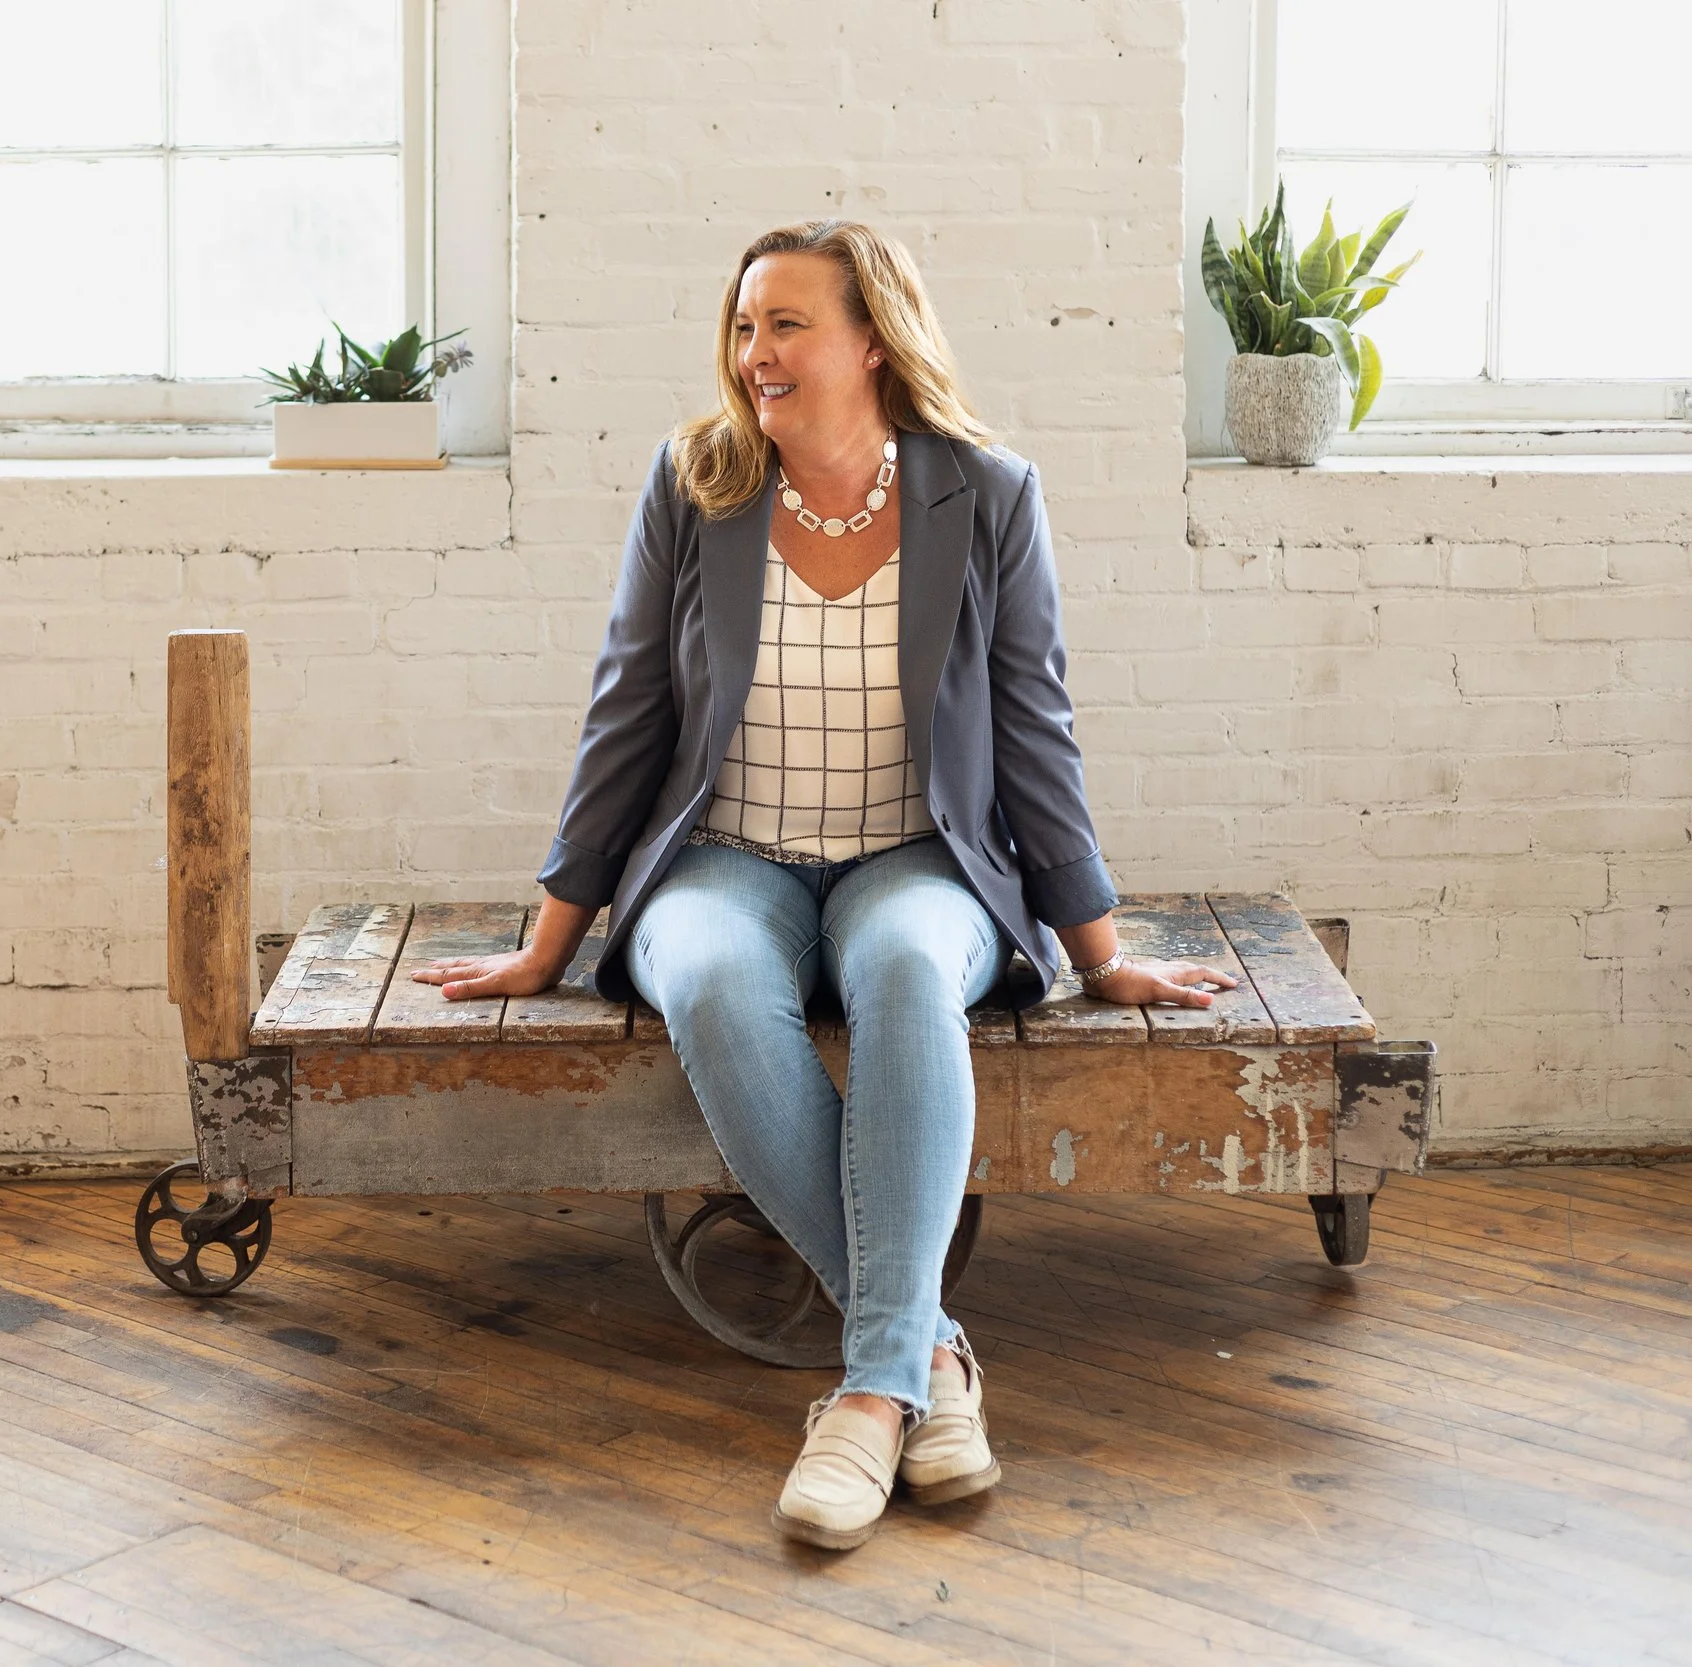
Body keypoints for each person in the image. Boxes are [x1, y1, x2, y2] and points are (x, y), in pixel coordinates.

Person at [406, 219, 1237, 1552]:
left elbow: (1036, 730)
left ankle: (863, 1397)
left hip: (917, 859)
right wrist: (548, 942)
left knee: (912, 970)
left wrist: (1099, 949)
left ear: (871, 339)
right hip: (722, 859)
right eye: (744, 327)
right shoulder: (697, 485)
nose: (756, 354)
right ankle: (927, 1359)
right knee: (718, 985)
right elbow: (626, 716)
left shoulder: (988, 493)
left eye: (787, 324)